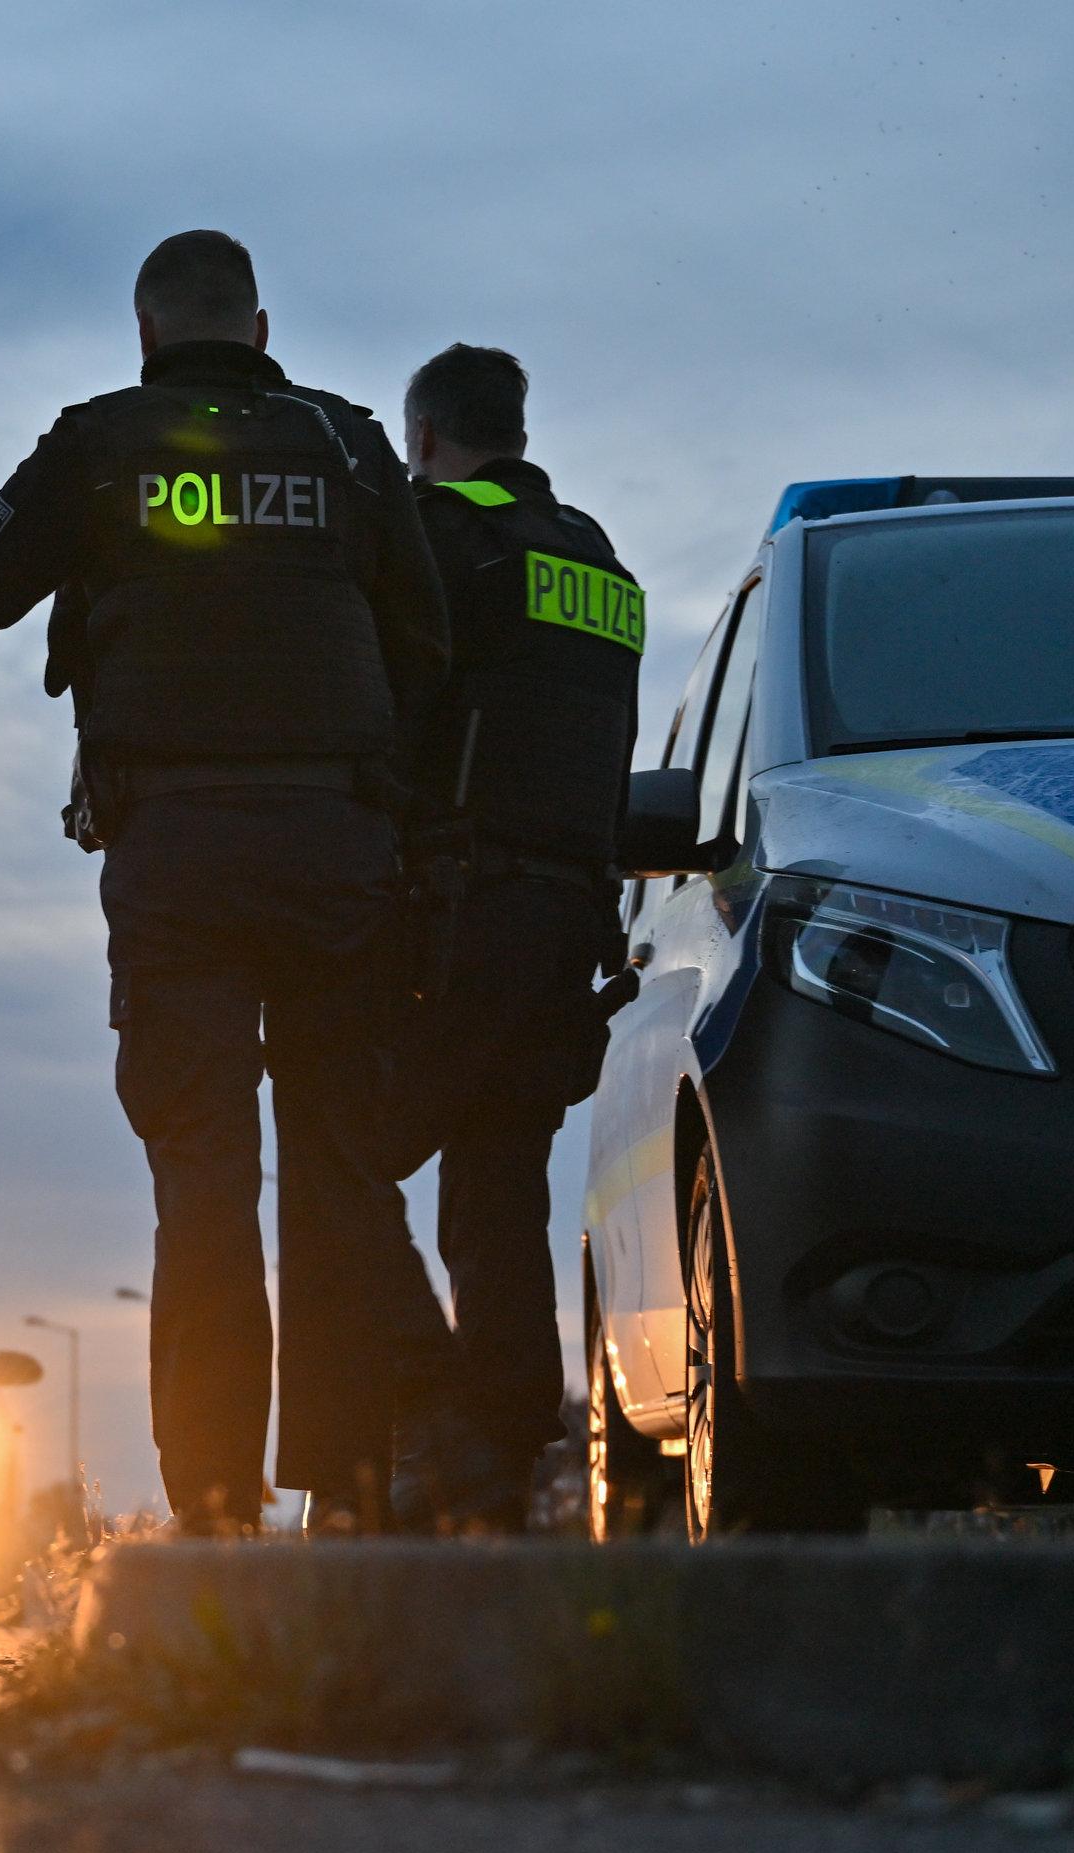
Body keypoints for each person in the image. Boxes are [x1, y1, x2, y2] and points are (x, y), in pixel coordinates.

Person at [0, 231, 450, 1532]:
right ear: (259, 329)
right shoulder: (344, 445)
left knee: (203, 1178)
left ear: (146, 333)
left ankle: (212, 1512)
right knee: (341, 1173)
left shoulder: (100, 446)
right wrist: (411, 845)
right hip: (340, 850)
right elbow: (426, 651)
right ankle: (354, 1500)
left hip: (178, 856)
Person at [383, 343, 645, 1531]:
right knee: (496, 1201)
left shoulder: (440, 539)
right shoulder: (599, 559)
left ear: (427, 437)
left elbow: (396, 718)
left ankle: (434, 1427)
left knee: (349, 1157)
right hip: (565, 931)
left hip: (455, 914)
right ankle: (496, 1471)